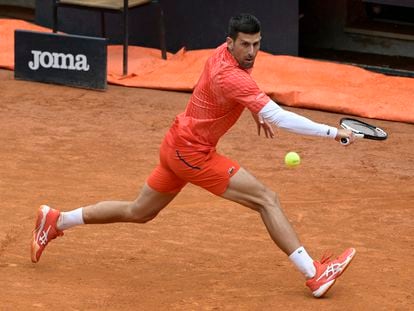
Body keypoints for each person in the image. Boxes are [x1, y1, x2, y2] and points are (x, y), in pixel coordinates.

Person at [31, 13, 356, 298]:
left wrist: (253, 109)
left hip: (176, 143)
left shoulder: (220, 56)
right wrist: (333, 131)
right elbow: (280, 117)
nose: (252, 52)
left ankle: (57, 220)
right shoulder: (231, 75)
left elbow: (244, 90)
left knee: (139, 211)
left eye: (257, 44)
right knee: (266, 200)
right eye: (245, 45)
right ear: (230, 42)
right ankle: (313, 274)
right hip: (192, 154)